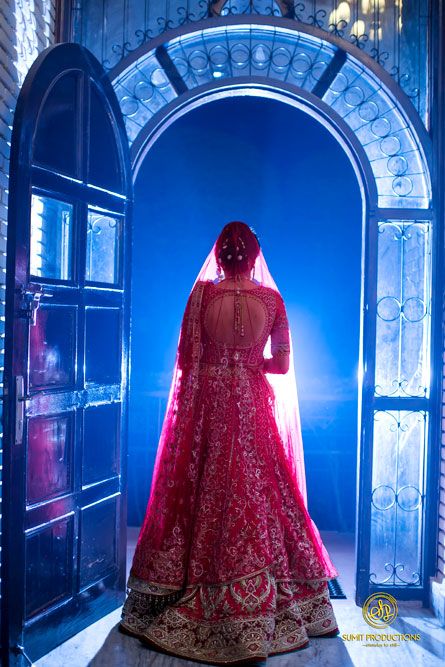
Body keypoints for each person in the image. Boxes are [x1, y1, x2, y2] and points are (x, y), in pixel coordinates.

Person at [120, 221, 339, 664]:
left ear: (220, 255)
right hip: (253, 404)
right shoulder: (273, 301)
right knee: (264, 489)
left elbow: (187, 365)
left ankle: (195, 589)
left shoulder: (202, 296)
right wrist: (248, 362)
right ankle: (267, 597)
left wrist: (195, 416)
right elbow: (280, 366)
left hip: (211, 408)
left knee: (206, 489)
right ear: (255, 256)